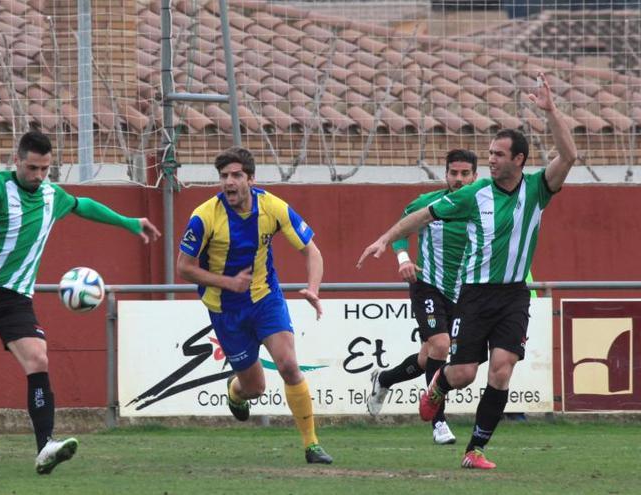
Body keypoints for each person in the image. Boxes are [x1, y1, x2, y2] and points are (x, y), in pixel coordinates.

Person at [0, 130, 161, 474]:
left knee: (38, 359)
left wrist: (128, 222)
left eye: (45, 169)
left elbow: (82, 205)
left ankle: (45, 447)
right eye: (32, 168)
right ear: (17, 162)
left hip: (16, 300)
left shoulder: (50, 195)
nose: (39, 176)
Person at [357, 73, 577, 469]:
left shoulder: (537, 189)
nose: (490, 159)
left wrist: (551, 111)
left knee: (503, 368)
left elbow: (570, 155)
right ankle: (437, 387)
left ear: (518, 160)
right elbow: (422, 214)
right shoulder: (473, 194)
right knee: (460, 373)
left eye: (497, 154)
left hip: (513, 295)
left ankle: (475, 450)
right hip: (473, 294)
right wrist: (386, 240)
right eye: (489, 153)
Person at [176, 146, 332, 464]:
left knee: (289, 365)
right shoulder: (204, 216)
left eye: (236, 176)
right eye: (223, 176)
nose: (229, 182)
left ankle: (312, 444)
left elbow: (312, 252)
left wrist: (314, 288)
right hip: (225, 310)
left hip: (265, 299)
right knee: (255, 388)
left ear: (251, 179)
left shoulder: (273, 207)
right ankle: (236, 390)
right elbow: (184, 267)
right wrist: (228, 283)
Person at [366, 149, 478, 446]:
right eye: (453, 173)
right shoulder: (427, 204)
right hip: (426, 283)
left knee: (428, 356)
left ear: (475, 176)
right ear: (446, 175)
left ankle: (384, 379)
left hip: (463, 291)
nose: (459, 179)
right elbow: (401, 231)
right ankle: (438, 422)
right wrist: (403, 257)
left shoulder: (482, 208)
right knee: (441, 345)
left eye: (465, 173)